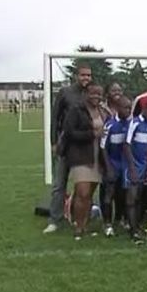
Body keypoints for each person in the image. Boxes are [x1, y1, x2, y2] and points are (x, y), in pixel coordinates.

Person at [44, 63, 92, 234]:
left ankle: (80, 217)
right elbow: (55, 118)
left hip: (84, 148)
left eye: (88, 75)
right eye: (83, 75)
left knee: (83, 186)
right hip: (66, 145)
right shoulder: (65, 93)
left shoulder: (91, 93)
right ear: (76, 76)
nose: (86, 78)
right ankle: (54, 220)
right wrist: (54, 142)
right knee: (59, 184)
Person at [62, 83, 108, 240]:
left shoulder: (102, 111)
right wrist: (92, 134)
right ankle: (78, 227)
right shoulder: (76, 109)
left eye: (99, 94)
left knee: (89, 196)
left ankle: (85, 225)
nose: (96, 96)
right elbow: (69, 132)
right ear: (86, 94)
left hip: (98, 157)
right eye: (93, 93)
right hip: (81, 156)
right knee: (82, 192)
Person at [124, 101, 147, 243]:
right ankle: (133, 231)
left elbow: (145, 145)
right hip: (133, 166)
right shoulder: (135, 123)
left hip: (144, 166)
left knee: (139, 197)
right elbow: (127, 144)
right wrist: (132, 168)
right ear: (144, 110)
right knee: (131, 197)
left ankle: (135, 226)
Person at [100, 95, 131, 237]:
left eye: (130, 108)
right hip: (112, 163)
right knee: (109, 194)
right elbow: (103, 148)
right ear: (118, 108)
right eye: (126, 108)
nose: (129, 111)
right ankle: (107, 224)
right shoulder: (110, 125)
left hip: (125, 165)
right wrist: (108, 167)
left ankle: (121, 219)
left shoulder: (130, 124)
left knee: (123, 194)